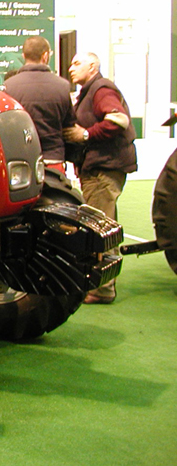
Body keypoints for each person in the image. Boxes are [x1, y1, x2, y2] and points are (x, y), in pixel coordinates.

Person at [63, 51, 137, 304]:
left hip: (104, 169)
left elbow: (118, 120)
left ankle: (103, 289)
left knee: (100, 229)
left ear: (93, 66)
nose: (71, 68)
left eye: (77, 63)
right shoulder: (91, 91)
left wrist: (85, 135)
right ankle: (102, 285)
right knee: (103, 227)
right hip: (101, 167)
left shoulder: (101, 90)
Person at [3, 37, 75, 171]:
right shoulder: (63, 86)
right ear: (45, 56)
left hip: (22, 162)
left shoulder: (9, 86)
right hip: (54, 160)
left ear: (24, 56)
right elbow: (69, 127)